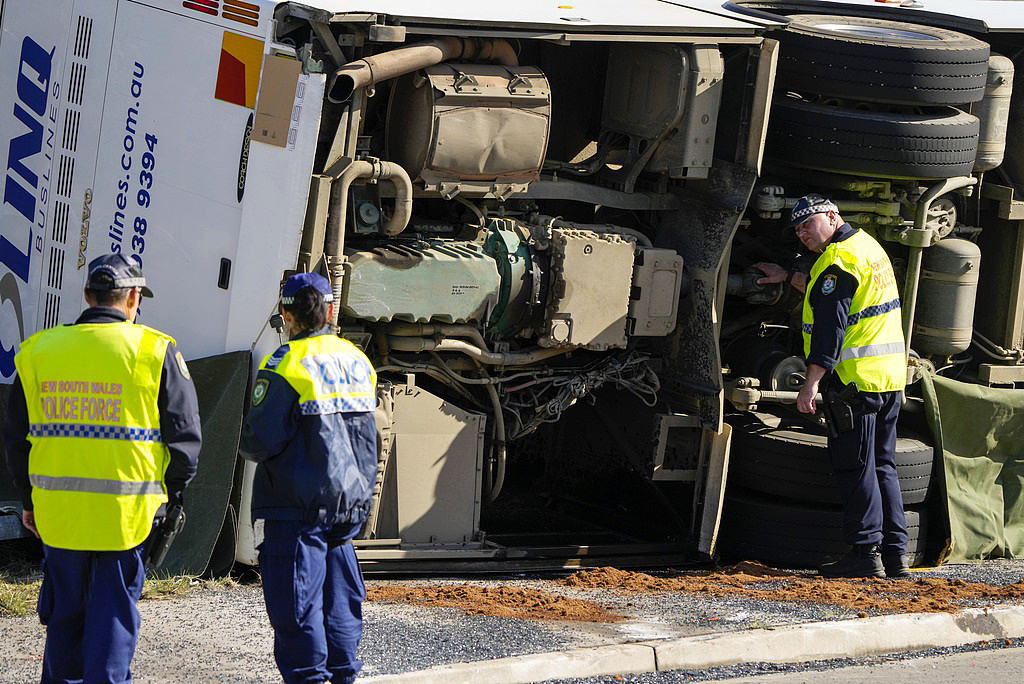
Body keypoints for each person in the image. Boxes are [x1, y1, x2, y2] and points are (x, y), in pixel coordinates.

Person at [2, 253, 202, 682]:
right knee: (112, 619)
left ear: (88, 296)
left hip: (59, 517)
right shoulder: (155, 350)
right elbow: (186, 441)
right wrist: (170, 496)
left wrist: (29, 501)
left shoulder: (39, 352)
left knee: (64, 619)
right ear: (132, 298)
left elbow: (16, 439)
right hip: (125, 517)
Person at [755, 195, 909, 579]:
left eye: (808, 224)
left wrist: (810, 385)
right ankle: (896, 556)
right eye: (798, 229)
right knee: (883, 466)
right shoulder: (866, 247)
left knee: (855, 467)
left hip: (854, 383)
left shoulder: (836, 261)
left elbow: (830, 329)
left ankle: (864, 553)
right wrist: (790, 276)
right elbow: (846, 296)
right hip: (888, 377)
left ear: (831, 215)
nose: (803, 233)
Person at [239, 272, 377, 684]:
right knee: (340, 599)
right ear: (331, 310)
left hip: (298, 507)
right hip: (348, 504)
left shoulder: (285, 363)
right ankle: (343, 676)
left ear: (287, 314)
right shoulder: (357, 359)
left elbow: (258, 441)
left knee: (296, 605)